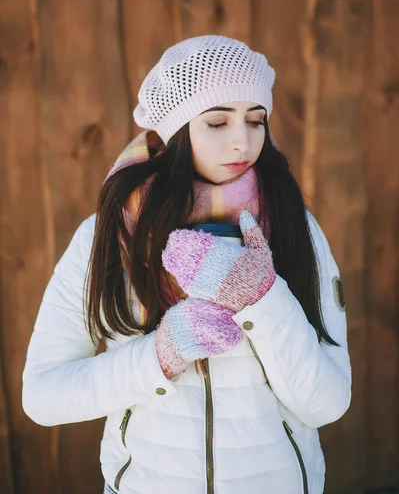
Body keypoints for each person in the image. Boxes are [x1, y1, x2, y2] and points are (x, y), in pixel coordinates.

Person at [22, 35, 351, 494]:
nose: (243, 140)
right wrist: (161, 355)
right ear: (177, 129)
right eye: (217, 122)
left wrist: (262, 298)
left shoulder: (296, 225)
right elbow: (43, 396)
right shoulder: (109, 235)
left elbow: (328, 403)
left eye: (256, 121)